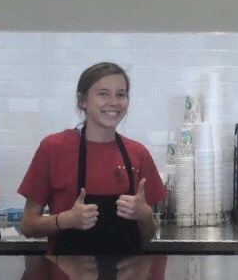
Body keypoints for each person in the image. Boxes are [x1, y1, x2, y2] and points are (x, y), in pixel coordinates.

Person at [19, 62, 166, 255]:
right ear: (82, 100)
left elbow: (147, 235)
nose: (114, 102)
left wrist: (145, 215)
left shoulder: (138, 153)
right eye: (103, 93)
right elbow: (28, 225)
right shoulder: (53, 148)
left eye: (121, 94)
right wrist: (65, 220)